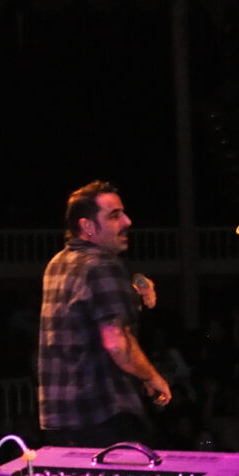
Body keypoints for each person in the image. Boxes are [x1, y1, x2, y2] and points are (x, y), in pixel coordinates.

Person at [37, 181, 171, 446]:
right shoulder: (103, 264)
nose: (127, 221)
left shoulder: (57, 264)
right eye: (114, 215)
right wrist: (151, 376)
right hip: (102, 414)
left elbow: (88, 310)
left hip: (59, 419)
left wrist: (137, 285)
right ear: (88, 226)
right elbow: (117, 344)